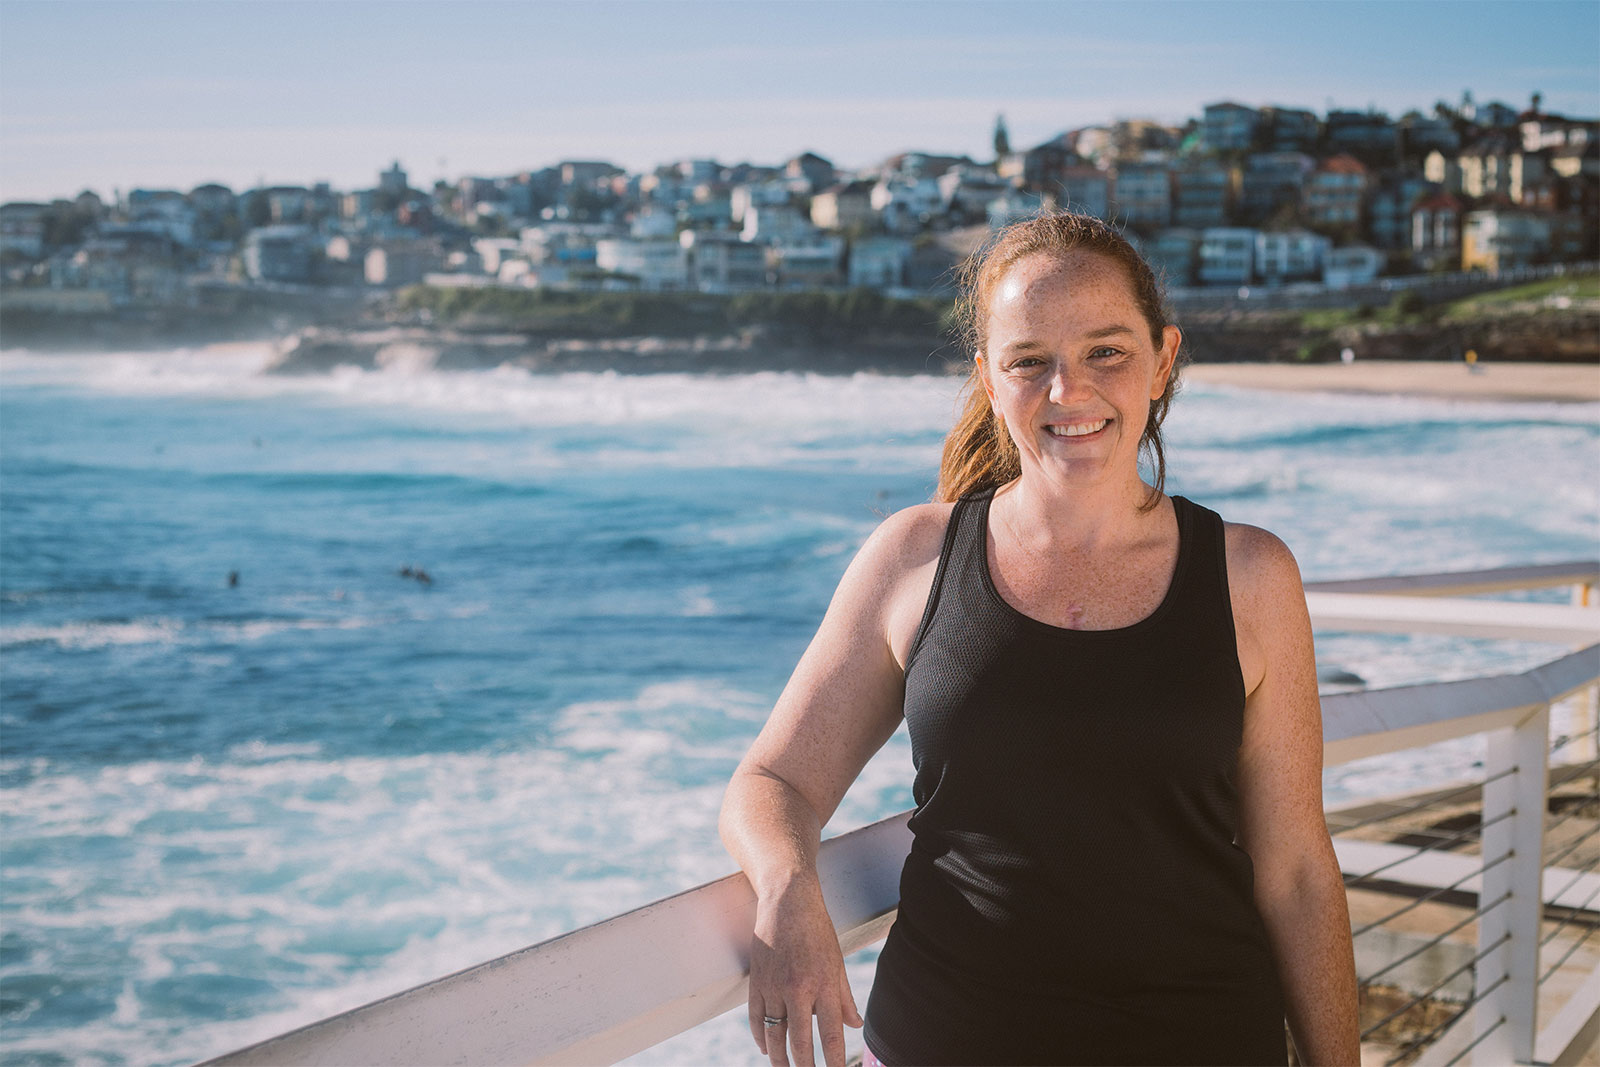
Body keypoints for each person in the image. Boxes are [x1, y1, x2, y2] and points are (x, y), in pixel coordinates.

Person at [719, 213, 1359, 1067]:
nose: (1069, 390)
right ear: (989, 378)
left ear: (1163, 359)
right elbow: (774, 779)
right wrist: (788, 890)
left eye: (1106, 351)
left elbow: (1297, 874)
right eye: (1030, 361)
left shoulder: (1251, 575)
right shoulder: (914, 557)